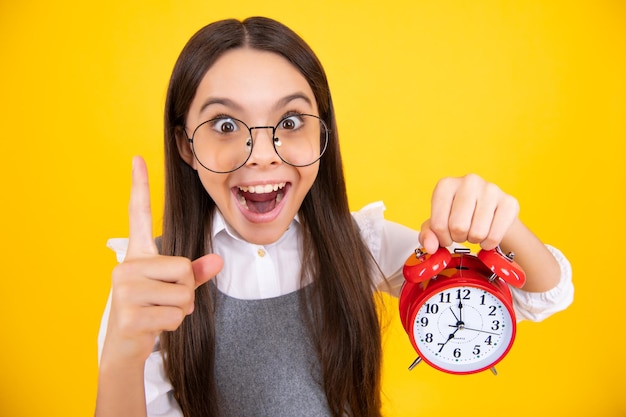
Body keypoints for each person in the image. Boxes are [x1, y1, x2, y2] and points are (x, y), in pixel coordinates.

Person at [95, 16, 573, 417]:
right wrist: (121, 355)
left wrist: (500, 224)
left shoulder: (359, 242)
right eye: (224, 125)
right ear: (186, 146)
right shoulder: (148, 286)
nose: (262, 154)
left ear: (323, 135)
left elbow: (540, 296)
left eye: (290, 121)